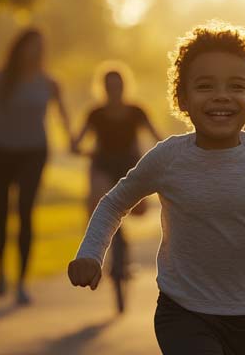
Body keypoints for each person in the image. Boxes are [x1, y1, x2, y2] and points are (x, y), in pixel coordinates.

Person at [69, 21, 245, 355]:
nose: (221, 96)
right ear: (182, 98)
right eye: (205, 86)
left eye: (236, 86)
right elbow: (114, 204)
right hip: (181, 309)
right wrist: (91, 253)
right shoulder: (168, 157)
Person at [0, 28, 73, 305]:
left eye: (40, 47)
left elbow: (62, 115)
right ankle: (0, 271)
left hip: (33, 152)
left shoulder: (48, 83)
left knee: (25, 210)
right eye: (31, 46)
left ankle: (22, 282)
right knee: (1, 211)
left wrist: (72, 140)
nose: (36, 52)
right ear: (19, 49)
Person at [71, 62, 162, 312]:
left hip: (129, 166)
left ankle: (122, 254)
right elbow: (77, 142)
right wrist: (80, 148)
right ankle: (112, 249)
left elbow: (157, 136)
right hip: (103, 165)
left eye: (118, 86)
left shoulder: (136, 111)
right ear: (103, 88)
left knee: (140, 210)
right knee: (98, 201)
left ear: (125, 87)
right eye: (110, 86)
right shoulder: (95, 114)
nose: (114, 90)